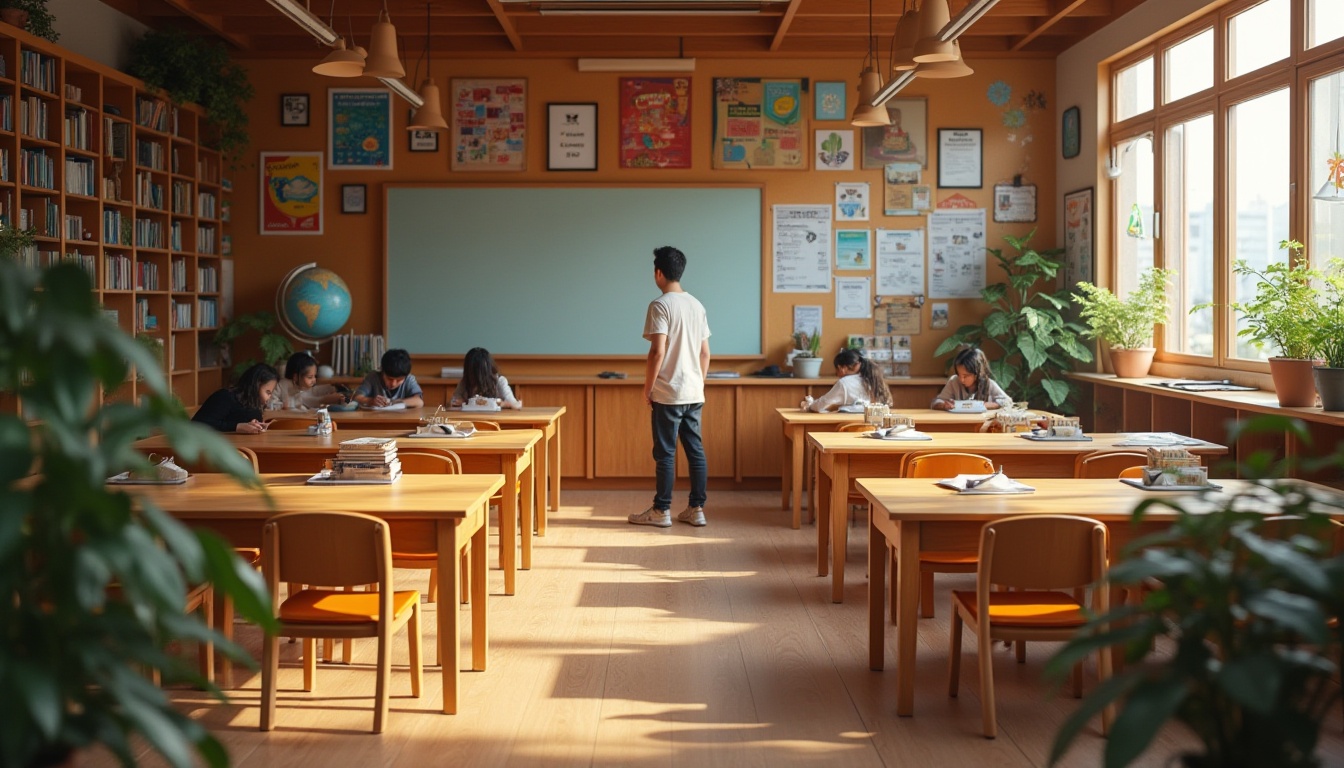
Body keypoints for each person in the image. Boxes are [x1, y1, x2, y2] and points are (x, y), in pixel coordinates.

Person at [629, 246, 711, 529]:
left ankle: (661, 510)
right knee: (695, 451)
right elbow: (705, 353)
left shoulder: (660, 305)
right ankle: (696, 508)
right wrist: (698, 384)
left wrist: (647, 388)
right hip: (693, 391)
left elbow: (657, 352)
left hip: (668, 391)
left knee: (665, 453)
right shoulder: (697, 305)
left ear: (659, 273)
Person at [192, 363, 279, 433]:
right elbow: (198, 425)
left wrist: (259, 426)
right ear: (256, 386)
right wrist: (237, 427)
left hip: (244, 449)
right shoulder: (225, 396)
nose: (269, 397)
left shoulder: (254, 406)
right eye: (268, 392)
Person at [805, 348, 892, 412]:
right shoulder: (874, 379)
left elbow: (822, 404)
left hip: (846, 428)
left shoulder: (844, 383)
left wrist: (810, 405)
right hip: (872, 428)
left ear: (841, 368)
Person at [931, 347, 1012, 410]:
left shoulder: (989, 384)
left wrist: (984, 405)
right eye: (959, 374)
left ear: (977, 373)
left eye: (966, 376)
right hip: (959, 422)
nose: (961, 379)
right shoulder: (954, 381)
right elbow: (936, 402)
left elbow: (1008, 402)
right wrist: (944, 405)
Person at [270, 352, 348, 410]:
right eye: (310, 377)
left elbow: (312, 392)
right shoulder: (283, 385)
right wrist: (323, 400)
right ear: (296, 377)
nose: (314, 380)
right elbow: (301, 401)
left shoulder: (299, 385)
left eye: (315, 376)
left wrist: (332, 388)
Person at [450, 347, 522, 409]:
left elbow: (515, 405)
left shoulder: (500, 381)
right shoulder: (465, 382)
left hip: (495, 419)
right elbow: (452, 402)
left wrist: (500, 403)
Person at [353, 348, 425, 409]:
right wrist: (370, 401)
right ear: (382, 371)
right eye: (390, 379)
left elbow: (419, 401)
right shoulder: (373, 377)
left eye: (399, 380)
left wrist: (394, 402)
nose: (393, 384)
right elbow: (357, 397)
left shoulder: (409, 379)